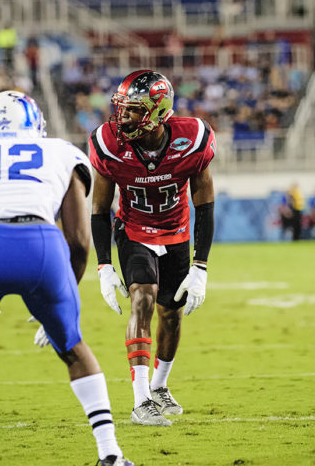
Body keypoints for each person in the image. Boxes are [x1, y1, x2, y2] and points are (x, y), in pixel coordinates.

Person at [0, 90, 133, 466]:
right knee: (73, 347)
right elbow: (78, 239)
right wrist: (63, 295)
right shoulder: (59, 151)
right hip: (42, 247)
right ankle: (110, 453)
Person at [89, 70, 216, 426]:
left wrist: (200, 266)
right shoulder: (109, 144)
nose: (122, 117)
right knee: (142, 297)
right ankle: (141, 400)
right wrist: (103, 266)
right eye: (121, 108)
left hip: (176, 232)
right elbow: (99, 208)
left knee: (171, 316)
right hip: (133, 230)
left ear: (158, 112)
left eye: (131, 110)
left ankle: (159, 386)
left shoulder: (191, 140)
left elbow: (205, 203)